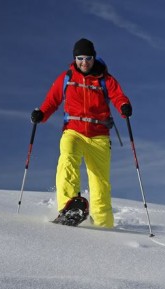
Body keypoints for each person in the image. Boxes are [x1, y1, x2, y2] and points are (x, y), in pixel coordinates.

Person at [31, 38, 132, 228]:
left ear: (93, 57)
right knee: (67, 161)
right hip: (73, 131)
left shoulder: (105, 79)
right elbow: (52, 101)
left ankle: (104, 224)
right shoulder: (67, 78)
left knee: (100, 182)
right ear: (74, 58)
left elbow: (118, 96)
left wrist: (124, 106)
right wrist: (41, 114)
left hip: (99, 135)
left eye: (88, 58)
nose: (84, 62)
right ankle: (69, 208)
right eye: (80, 58)